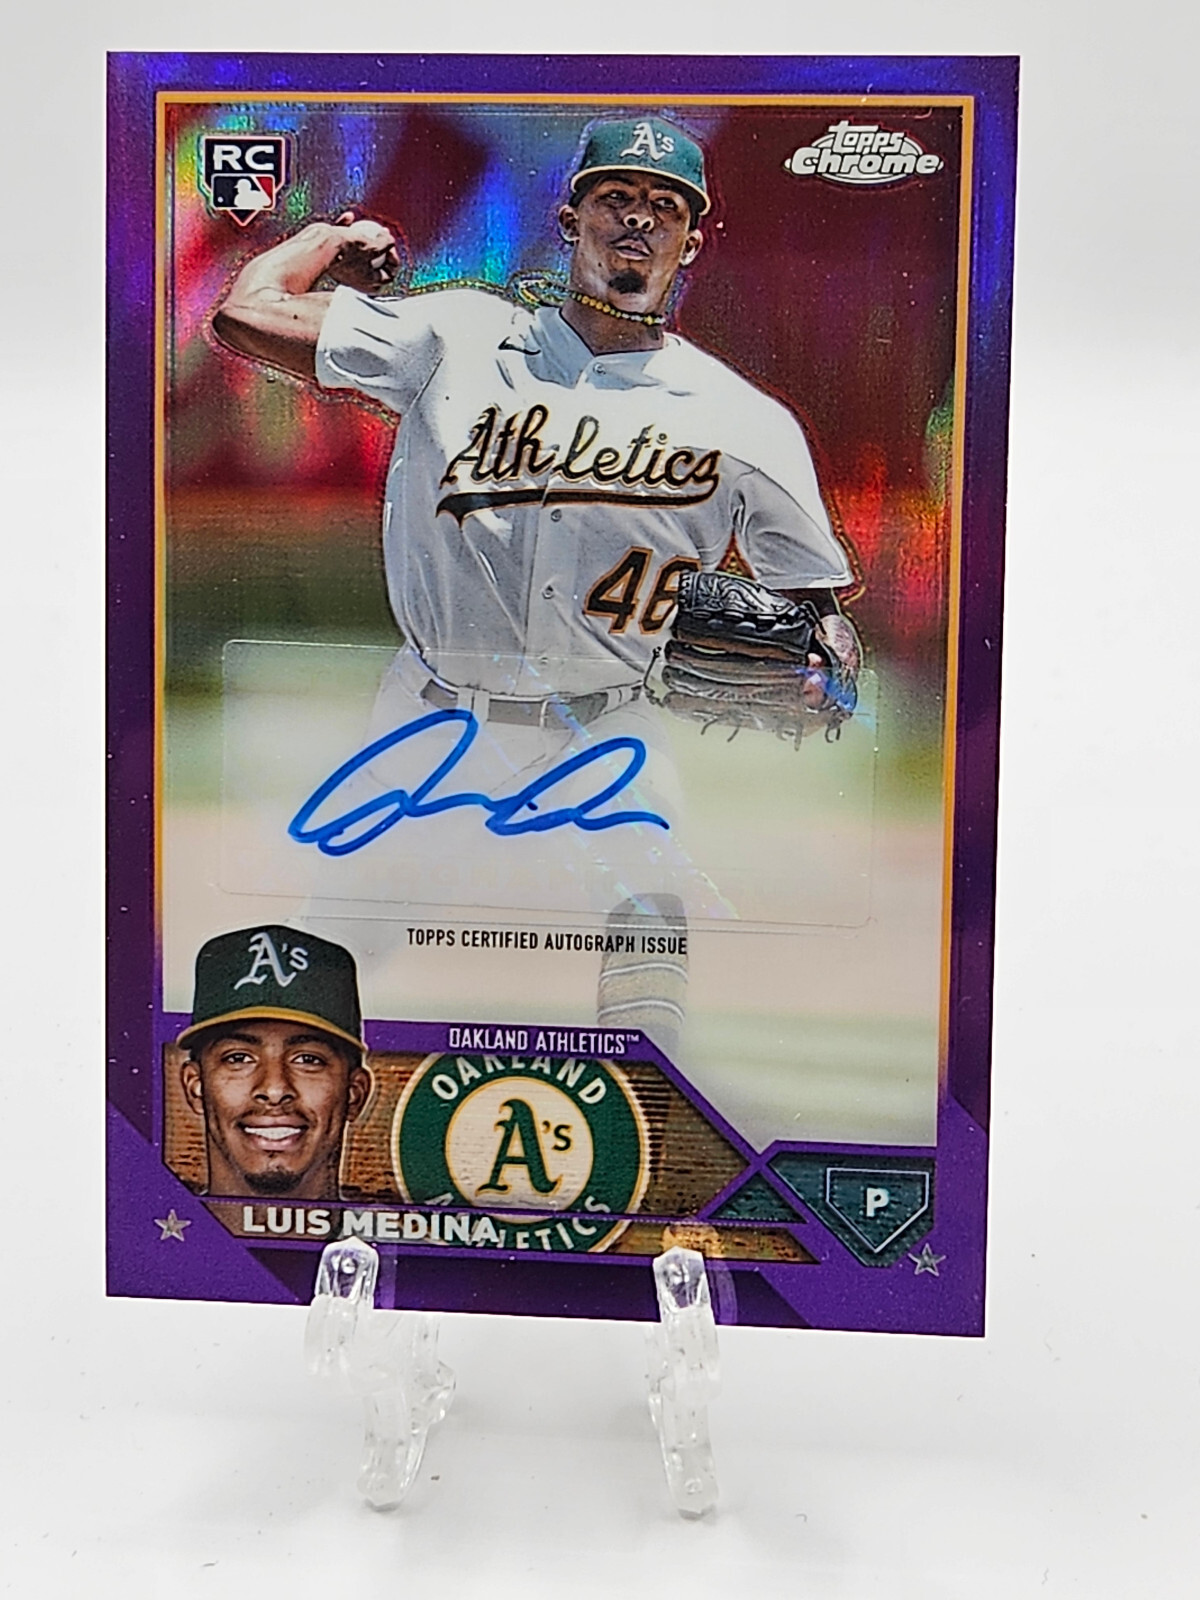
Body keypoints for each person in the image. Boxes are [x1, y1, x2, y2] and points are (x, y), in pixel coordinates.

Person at [210, 114, 860, 1052]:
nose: (638, 218)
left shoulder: (746, 421)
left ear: (691, 241)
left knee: (650, 911)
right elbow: (244, 315)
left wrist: (822, 670)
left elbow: (822, 621)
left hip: (607, 726)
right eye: (615, 196)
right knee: (333, 952)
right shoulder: (455, 334)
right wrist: (323, 241)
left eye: (665, 205)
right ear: (570, 220)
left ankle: (644, 1124)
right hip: (430, 717)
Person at [178, 925, 371, 1200]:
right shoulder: (140, 1227)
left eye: (308, 1059)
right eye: (238, 1058)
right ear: (195, 1087)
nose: (275, 1090)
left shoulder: (405, 1232)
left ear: (354, 1093)